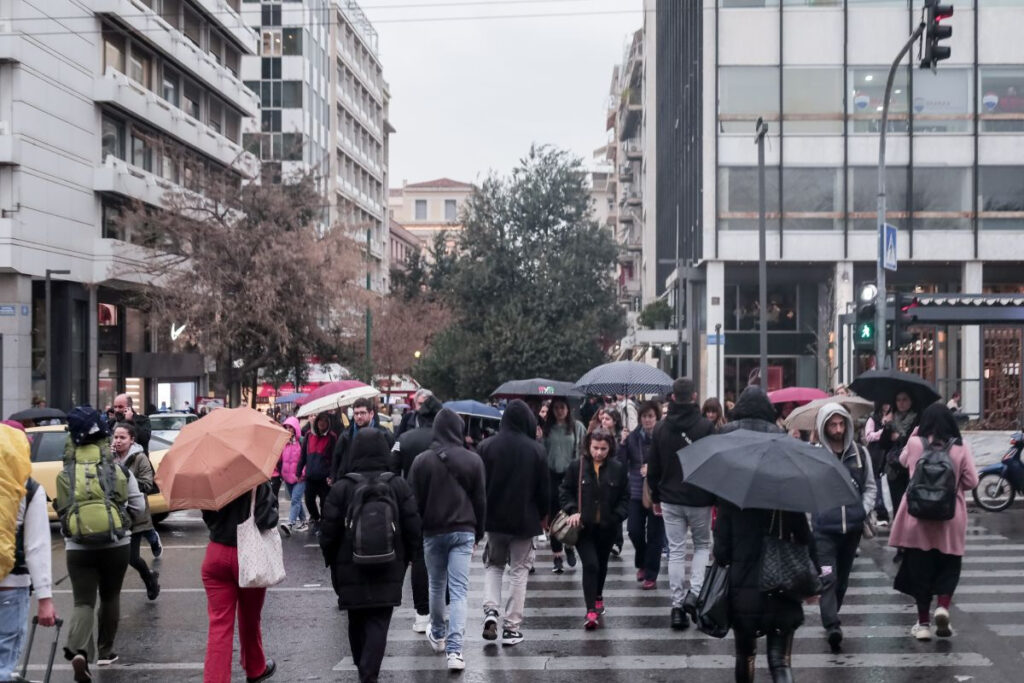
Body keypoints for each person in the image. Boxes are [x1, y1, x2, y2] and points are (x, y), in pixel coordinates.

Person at [320, 429, 422, 683]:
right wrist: (408, 556)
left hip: (349, 565)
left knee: (356, 618)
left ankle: (363, 669)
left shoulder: (343, 487)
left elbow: (328, 530)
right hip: (389, 564)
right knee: (379, 619)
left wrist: (331, 559)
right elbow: (413, 526)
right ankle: (369, 672)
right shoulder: (396, 485)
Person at [56, 406, 145, 682]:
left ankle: (80, 650)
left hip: (78, 547)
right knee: (110, 596)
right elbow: (139, 506)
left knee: (83, 602)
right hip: (115, 546)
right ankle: (106, 652)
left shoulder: (65, 474)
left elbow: (63, 512)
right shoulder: (117, 469)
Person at [888, 403, 979, 641]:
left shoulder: (916, 443)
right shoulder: (961, 446)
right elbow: (972, 481)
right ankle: (943, 607)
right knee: (950, 565)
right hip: (950, 517)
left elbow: (903, 461)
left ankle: (924, 623)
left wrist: (916, 434)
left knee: (920, 569)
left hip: (917, 517)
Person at [407, 409, 486, 672]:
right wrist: (479, 532)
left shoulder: (421, 461)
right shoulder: (473, 460)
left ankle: (438, 633)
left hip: (432, 531)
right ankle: (455, 651)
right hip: (464, 530)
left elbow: (413, 500)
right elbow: (480, 501)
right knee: (460, 590)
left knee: (436, 585)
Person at [715, 503, 819, 683]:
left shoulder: (730, 502)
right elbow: (807, 542)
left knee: (745, 656)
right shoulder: (787, 500)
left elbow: (721, 553)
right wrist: (822, 576)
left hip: (744, 591)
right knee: (780, 661)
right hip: (782, 589)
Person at [477, 400, 549, 645]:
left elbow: (479, 486)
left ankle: (490, 611)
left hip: (495, 519)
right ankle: (512, 626)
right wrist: (543, 515)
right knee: (519, 570)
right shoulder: (536, 450)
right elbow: (544, 491)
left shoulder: (486, 447)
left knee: (494, 565)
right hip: (525, 519)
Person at [646, 378, 715, 630]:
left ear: (673, 397)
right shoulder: (706, 426)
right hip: (699, 497)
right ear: (694, 396)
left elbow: (653, 467)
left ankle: (677, 606)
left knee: (675, 551)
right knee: (701, 546)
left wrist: (655, 496)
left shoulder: (662, 428)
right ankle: (694, 595)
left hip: (670, 498)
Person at [811, 403, 876, 653]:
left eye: (841, 424)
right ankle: (832, 625)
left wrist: (863, 509)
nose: (837, 429)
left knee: (842, 581)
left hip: (851, 530)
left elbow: (870, 486)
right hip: (824, 530)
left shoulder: (860, 454)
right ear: (824, 427)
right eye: (832, 424)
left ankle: (831, 613)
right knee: (828, 577)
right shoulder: (816, 455)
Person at [201, 483, 278, 683]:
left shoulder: (211, 481)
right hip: (248, 554)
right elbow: (268, 518)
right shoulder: (254, 478)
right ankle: (255, 667)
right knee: (250, 617)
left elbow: (208, 518)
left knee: (219, 624)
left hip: (216, 553)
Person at [0, 424, 57, 682]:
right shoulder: (30, 488)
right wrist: (45, 598)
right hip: (11, 586)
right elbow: (36, 546)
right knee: (3, 663)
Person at [559, 429, 629, 630]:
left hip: (608, 527)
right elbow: (565, 491)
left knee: (602, 564)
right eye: (595, 448)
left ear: (610, 448)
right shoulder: (577, 467)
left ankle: (598, 595)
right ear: (588, 447)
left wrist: (617, 516)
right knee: (590, 565)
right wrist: (572, 510)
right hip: (583, 527)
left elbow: (625, 498)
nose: (598, 453)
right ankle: (590, 610)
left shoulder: (617, 468)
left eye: (603, 449)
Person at [392, 392, 444, 633]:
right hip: (444, 506)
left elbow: (391, 472)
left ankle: (422, 613)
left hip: (411, 504)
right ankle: (443, 611)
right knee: (446, 559)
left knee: (419, 559)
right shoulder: (447, 441)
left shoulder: (404, 439)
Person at [110, 423, 161, 601]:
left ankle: (149, 578)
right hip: (114, 516)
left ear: (132, 440)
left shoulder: (140, 458)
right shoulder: (109, 457)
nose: (118, 441)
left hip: (135, 516)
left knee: (132, 558)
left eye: (122, 437)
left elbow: (148, 484)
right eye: (116, 437)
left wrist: (127, 482)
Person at [621, 400, 663, 590]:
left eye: (651, 416)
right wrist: (622, 443)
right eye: (644, 416)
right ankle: (643, 561)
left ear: (657, 417)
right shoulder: (632, 437)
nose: (647, 420)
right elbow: (621, 463)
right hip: (636, 492)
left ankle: (651, 573)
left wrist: (652, 468)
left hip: (657, 493)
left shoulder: (663, 437)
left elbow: (671, 462)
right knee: (634, 530)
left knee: (655, 535)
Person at [542, 398, 586, 574]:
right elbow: (542, 452)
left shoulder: (577, 427)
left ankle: (570, 545)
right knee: (553, 515)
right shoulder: (547, 429)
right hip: (552, 474)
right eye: (556, 408)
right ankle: (557, 555)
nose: (560, 411)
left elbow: (584, 449)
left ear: (568, 409)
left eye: (563, 407)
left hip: (571, 475)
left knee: (570, 512)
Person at [297, 413, 337, 536]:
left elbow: (335, 458)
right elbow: (303, 455)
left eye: (325, 421)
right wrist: (298, 471)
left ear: (328, 422)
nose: (322, 423)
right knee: (309, 500)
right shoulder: (309, 435)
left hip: (324, 478)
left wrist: (332, 475)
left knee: (324, 503)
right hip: (310, 476)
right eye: (320, 420)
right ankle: (316, 519)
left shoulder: (332, 437)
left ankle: (323, 524)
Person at [882, 391, 919, 522]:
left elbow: (917, 442)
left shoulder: (917, 418)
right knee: (897, 504)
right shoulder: (890, 419)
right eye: (898, 400)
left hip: (910, 467)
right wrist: (887, 426)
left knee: (910, 504)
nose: (901, 403)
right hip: (893, 468)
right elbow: (883, 444)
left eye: (905, 399)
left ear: (911, 401)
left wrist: (900, 438)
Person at [333, 398, 394, 479]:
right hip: (352, 478)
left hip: (377, 480)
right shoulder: (346, 435)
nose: (359, 416)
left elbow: (393, 458)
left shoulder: (385, 434)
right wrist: (333, 475)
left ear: (371, 413)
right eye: (356, 413)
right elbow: (337, 457)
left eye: (362, 413)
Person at [864, 402, 893, 523]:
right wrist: (882, 432)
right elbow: (868, 436)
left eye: (888, 402)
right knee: (876, 481)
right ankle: (880, 510)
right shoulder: (873, 418)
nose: (886, 405)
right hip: (876, 453)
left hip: (889, 453)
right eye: (884, 402)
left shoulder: (893, 416)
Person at [278, 417, 307, 534]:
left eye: (290, 427)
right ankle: (304, 522)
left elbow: (306, 458)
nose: (288, 429)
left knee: (295, 499)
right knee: (297, 501)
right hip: (287, 478)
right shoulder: (283, 443)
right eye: (286, 427)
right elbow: (280, 459)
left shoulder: (302, 441)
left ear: (295, 429)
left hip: (300, 477)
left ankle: (290, 523)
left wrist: (303, 473)